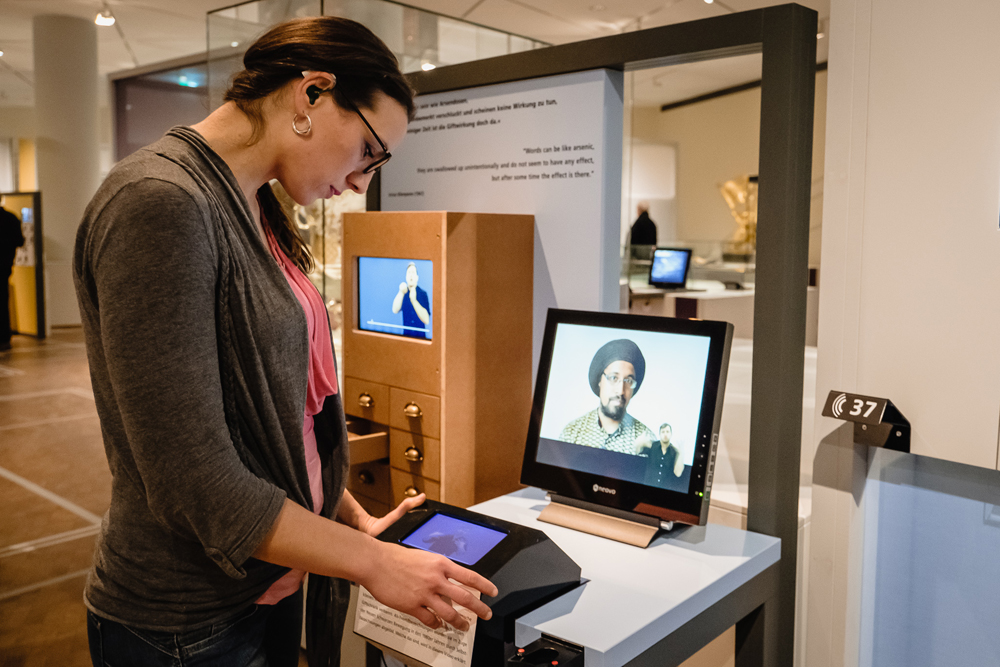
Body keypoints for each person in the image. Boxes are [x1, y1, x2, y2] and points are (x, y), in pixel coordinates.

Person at [73, 17, 496, 667]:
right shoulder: (159, 202)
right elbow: (196, 481)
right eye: (368, 152)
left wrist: (354, 522)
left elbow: (279, 421)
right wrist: (370, 560)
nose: (361, 181)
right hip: (187, 620)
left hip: (266, 585)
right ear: (312, 95)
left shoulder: (256, 202)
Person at [559, 339, 657, 454]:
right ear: (600, 381)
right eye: (614, 378)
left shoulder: (647, 441)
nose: (620, 391)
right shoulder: (572, 433)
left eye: (629, 380)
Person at [0, 197, 25, 352]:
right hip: (5, 267)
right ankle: (4, 339)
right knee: (3, 303)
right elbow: (20, 241)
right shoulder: (11, 218)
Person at [639, 423, 685, 487]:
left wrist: (681, 453)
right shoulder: (652, 445)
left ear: (671, 434)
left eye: (667, 432)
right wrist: (640, 442)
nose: (665, 434)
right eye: (663, 432)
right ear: (659, 434)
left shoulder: (674, 451)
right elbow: (637, 451)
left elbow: (678, 473)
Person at [391, 261, 430, 338]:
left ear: (417, 277)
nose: (411, 275)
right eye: (409, 273)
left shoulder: (423, 294)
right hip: (406, 337)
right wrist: (401, 292)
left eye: (413, 272)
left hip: (421, 338)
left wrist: (414, 301)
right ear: (406, 277)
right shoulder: (403, 293)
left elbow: (426, 320)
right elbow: (395, 310)